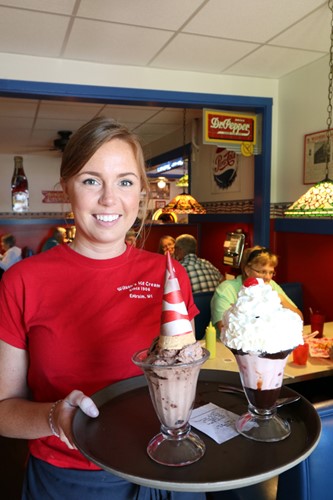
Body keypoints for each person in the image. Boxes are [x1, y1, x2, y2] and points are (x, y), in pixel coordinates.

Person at [0, 117, 202, 500]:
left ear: (141, 192)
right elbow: (4, 411)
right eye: (91, 180)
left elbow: (185, 378)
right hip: (71, 480)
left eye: (125, 181)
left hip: (169, 469)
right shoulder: (22, 281)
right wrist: (54, 417)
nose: (110, 199)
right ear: (67, 189)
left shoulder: (169, 274)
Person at [211, 245, 303, 333]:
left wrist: (281, 300)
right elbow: (226, 329)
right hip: (223, 347)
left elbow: (299, 318)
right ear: (247, 270)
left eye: (271, 272)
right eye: (262, 272)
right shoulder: (226, 289)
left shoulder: (271, 285)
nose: (267, 277)